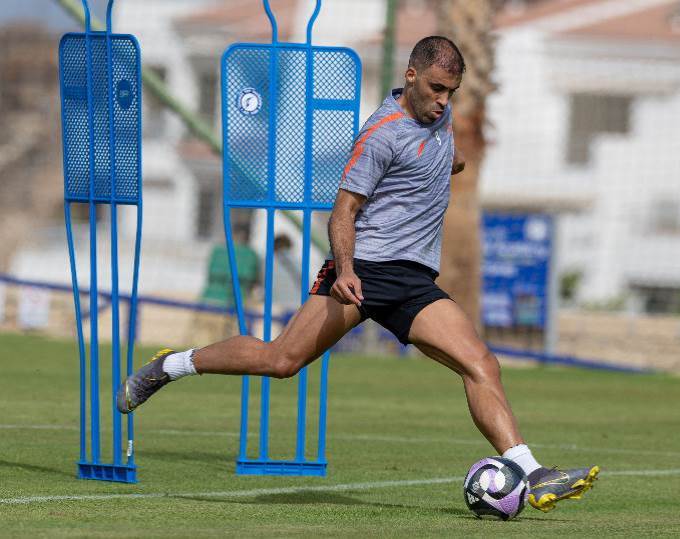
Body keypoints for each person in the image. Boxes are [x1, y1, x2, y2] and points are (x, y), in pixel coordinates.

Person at [116, 36, 598, 513]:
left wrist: (451, 159)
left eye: (450, 91)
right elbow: (342, 211)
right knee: (281, 361)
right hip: (364, 269)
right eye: (435, 88)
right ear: (410, 76)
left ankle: (533, 474)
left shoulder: (440, 116)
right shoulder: (380, 134)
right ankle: (171, 365)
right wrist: (345, 270)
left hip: (412, 280)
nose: (442, 100)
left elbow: (440, 155)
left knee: (481, 363)